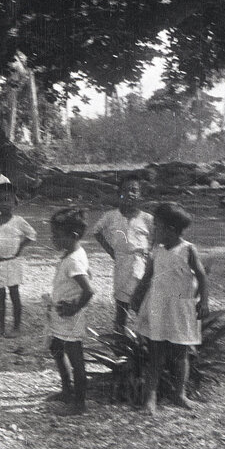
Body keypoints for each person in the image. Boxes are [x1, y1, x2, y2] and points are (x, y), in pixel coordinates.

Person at [128, 202, 210, 415]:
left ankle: (179, 393)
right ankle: (150, 397)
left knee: (181, 353)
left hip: (180, 308)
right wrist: (136, 297)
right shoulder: (157, 250)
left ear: (171, 230)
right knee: (156, 354)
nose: (155, 230)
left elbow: (201, 276)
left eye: (158, 226)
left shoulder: (187, 250)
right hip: (158, 307)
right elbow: (148, 276)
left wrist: (204, 301)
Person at [43, 207, 95, 416]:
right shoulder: (73, 253)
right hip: (61, 315)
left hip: (70, 317)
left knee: (76, 359)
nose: (53, 239)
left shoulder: (73, 260)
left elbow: (89, 290)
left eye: (57, 236)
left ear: (73, 236)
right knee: (56, 347)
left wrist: (75, 307)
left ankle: (80, 402)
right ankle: (67, 390)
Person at [91, 174, 154, 332]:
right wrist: (111, 251)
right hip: (122, 264)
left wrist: (150, 256)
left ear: (140, 194)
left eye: (134, 190)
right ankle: (119, 343)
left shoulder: (147, 219)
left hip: (142, 265)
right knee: (122, 306)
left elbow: (157, 237)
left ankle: (144, 342)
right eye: (125, 190)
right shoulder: (111, 217)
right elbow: (97, 232)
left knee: (142, 305)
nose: (130, 194)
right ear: (119, 193)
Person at [0, 182, 36, 336]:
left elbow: (32, 235)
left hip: (12, 263)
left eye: (8, 200)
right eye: (1, 200)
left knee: (14, 295)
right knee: (0, 295)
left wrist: (20, 248)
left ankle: (16, 327)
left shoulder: (18, 221)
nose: (5, 204)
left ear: (15, 201)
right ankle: (1, 325)